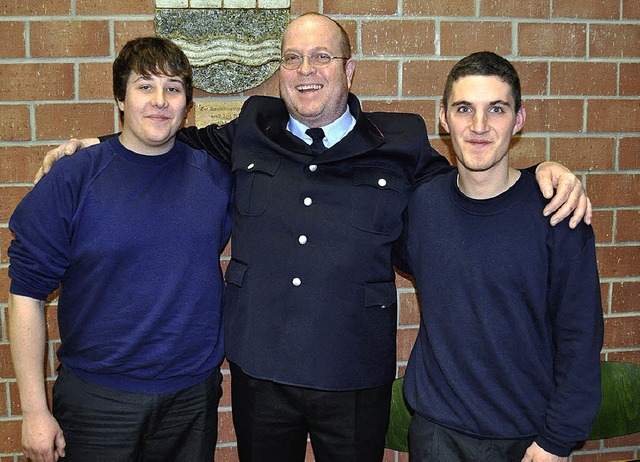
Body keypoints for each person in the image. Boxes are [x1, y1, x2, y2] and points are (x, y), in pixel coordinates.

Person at [37, 14, 591, 462]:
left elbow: (477, 176)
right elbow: (168, 139)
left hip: (353, 374)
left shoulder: (399, 140)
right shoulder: (252, 126)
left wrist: (549, 171)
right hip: (261, 370)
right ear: (280, 71)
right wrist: (96, 147)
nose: (307, 70)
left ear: (350, 70)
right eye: (293, 58)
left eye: (322, 56)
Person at [8, 37, 233, 462]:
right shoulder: (74, 176)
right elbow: (25, 295)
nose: (160, 101)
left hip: (191, 397)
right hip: (98, 401)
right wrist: (35, 410)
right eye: (144, 86)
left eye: (173, 88)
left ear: (187, 104)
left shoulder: (215, 178)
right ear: (120, 98)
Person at [401, 51, 604, 462]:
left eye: (496, 109)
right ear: (444, 118)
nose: (478, 127)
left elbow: (581, 338)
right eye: (464, 109)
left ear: (519, 119)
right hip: (437, 434)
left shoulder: (558, 213)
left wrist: (556, 441)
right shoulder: (421, 206)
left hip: (528, 440)